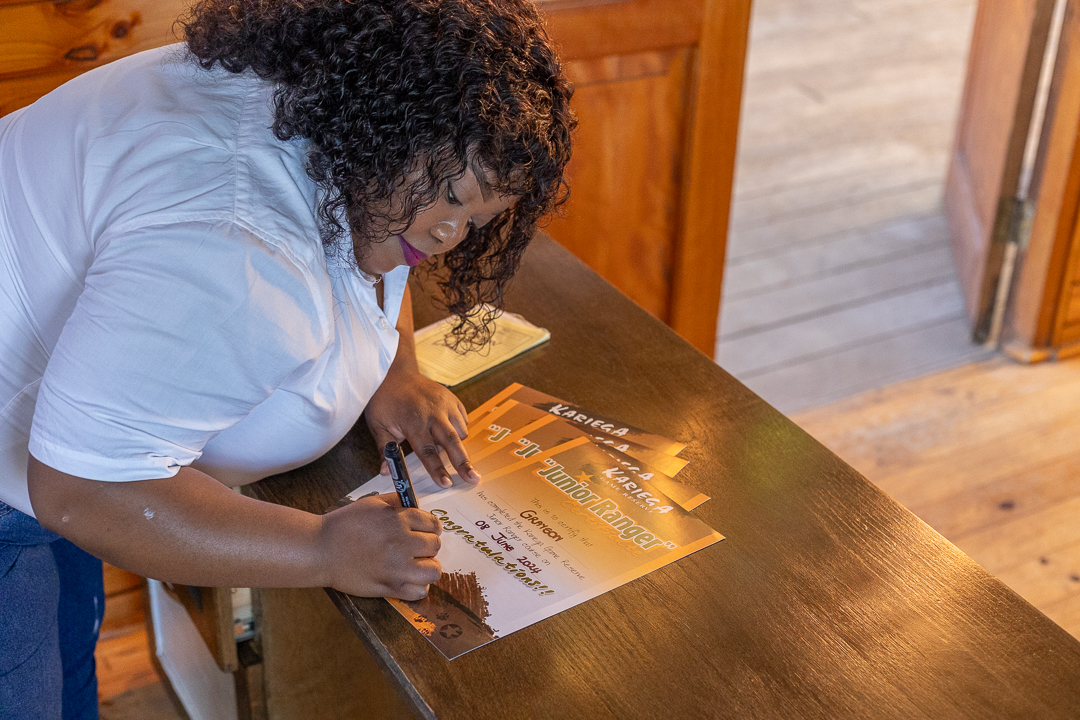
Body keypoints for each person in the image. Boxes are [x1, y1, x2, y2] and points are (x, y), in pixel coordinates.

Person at [0, 0, 575, 716]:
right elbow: (83, 490)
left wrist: (396, 371)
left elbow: (390, 251)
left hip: (40, 442)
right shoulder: (240, 251)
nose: (451, 233)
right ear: (382, 133)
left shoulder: (330, 117)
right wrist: (324, 549)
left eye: (480, 221)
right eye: (450, 199)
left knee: (63, 659)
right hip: (40, 482)